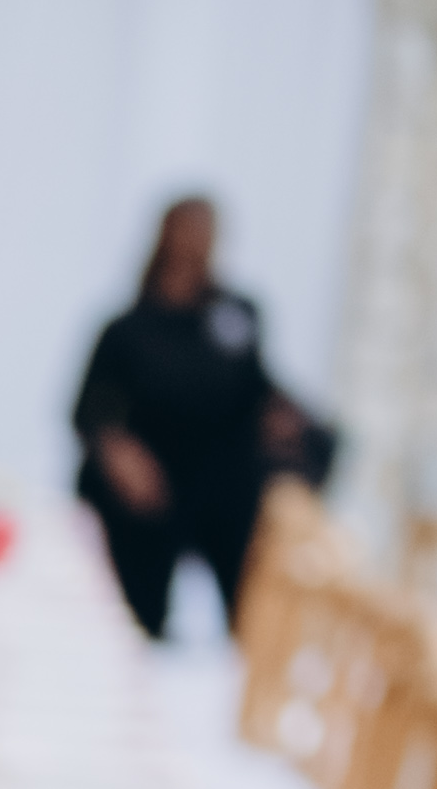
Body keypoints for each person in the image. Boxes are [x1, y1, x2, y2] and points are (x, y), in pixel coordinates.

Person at [75, 193, 335, 636]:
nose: (196, 241)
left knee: (268, 496)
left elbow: (258, 386)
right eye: (187, 229)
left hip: (220, 477)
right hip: (152, 482)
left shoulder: (236, 316)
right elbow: (89, 411)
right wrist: (118, 452)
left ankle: (260, 632)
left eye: (207, 231)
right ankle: (139, 629)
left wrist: (284, 416)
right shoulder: (127, 330)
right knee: (137, 594)